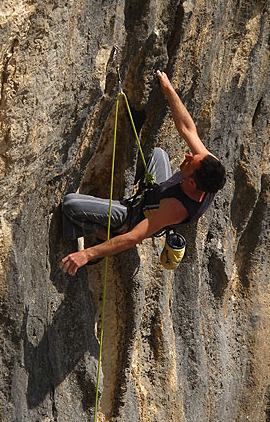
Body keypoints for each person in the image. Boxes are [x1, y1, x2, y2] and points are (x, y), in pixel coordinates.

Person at [60, 70, 226, 275]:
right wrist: (169, 90)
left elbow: (134, 238)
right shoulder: (209, 167)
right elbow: (187, 129)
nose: (188, 156)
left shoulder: (176, 208)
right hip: (158, 193)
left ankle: (105, 233)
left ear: (192, 183)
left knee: (71, 204)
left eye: (190, 163)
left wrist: (87, 254)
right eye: (194, 156)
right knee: (159, 154)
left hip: (135, 215)